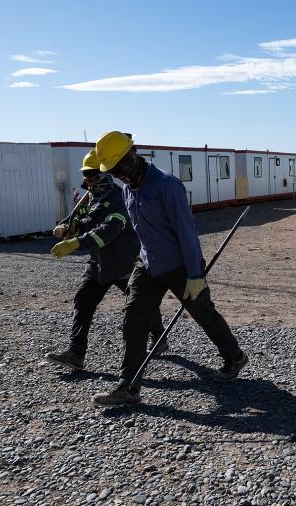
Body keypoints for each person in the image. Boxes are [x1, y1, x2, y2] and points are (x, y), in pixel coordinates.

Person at [90, 131, 248, 406]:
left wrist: (195, 276)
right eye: (114, 171)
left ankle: (235, 356)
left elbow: (187, 233)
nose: (120, 175)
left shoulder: (166, 185)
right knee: (133, 318)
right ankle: (128, 387)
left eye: (121, 167)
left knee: (203, 314)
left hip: (180, 265)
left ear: (134, 153)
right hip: (148, 263)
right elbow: (142, 231)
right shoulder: (128, 189)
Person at [45, 149, 168, 371]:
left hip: (124, 263)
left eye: (93, 173)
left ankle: (158, 337)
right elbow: (83, 218)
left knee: (141, 305)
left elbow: (108, 230)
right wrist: (68, 226)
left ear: (104, 173)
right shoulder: (91, 196)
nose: (89, 178)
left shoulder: (119, 197)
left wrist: (76, 243)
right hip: (99, 264)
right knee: (83, 301)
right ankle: (76, 353)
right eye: (86, 174)